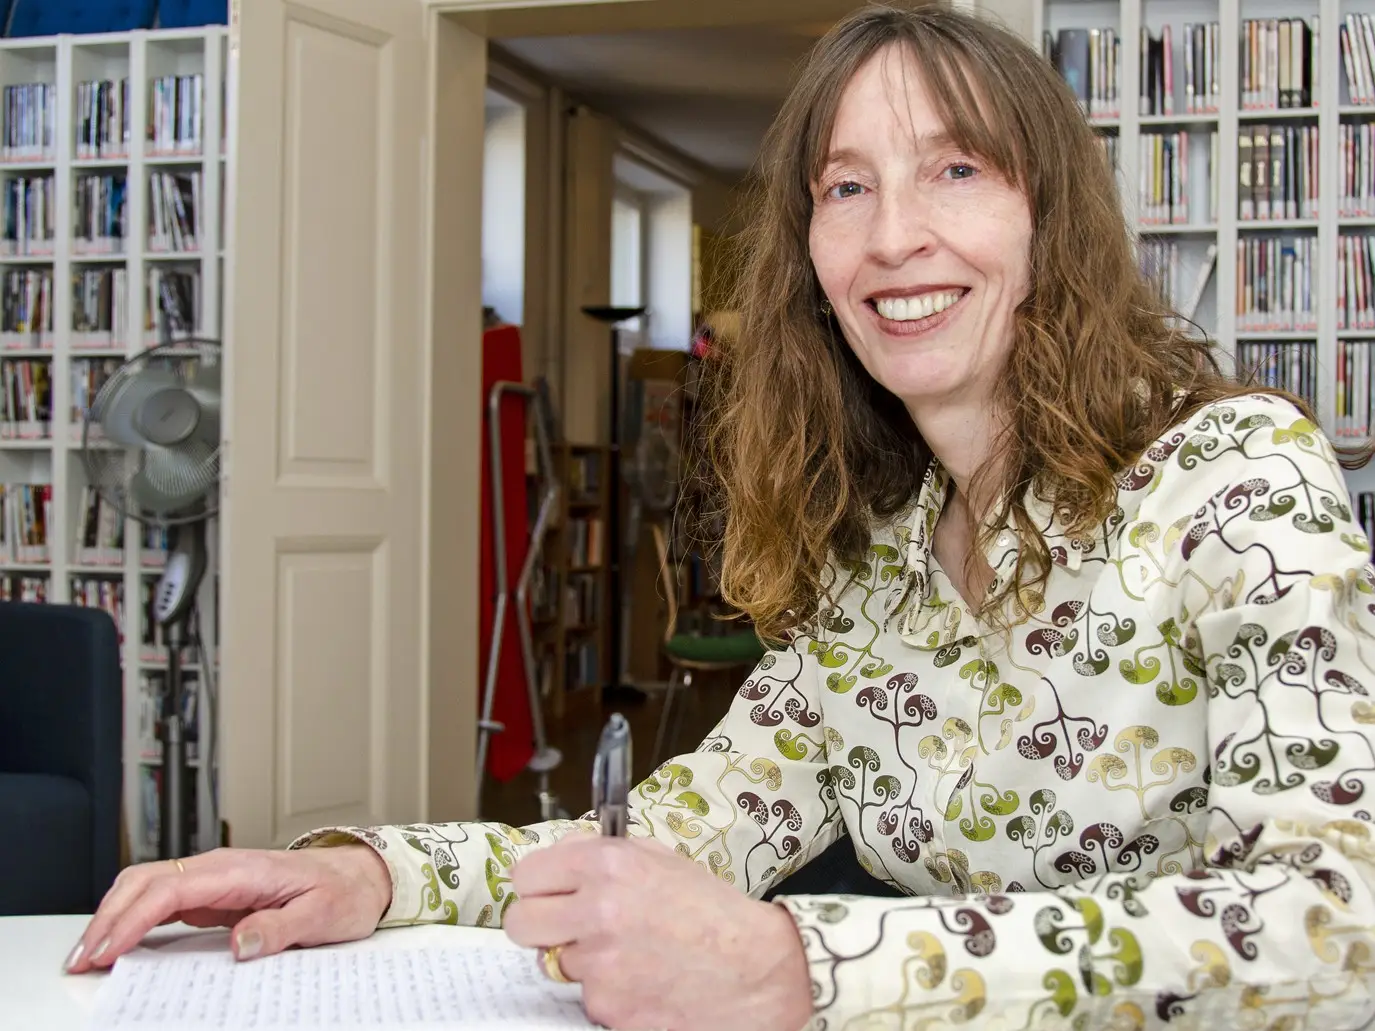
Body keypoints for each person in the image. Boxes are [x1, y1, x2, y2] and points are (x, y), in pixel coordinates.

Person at [66, 4, 1375, 1029]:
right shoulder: (871, 561)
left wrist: (809, 965)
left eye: (955, 169)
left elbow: (1336, 926)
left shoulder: (1239, 480)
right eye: (843, 187)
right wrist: (374, 872)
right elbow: (692, 824)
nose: (892, 235)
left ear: (1051, 219)